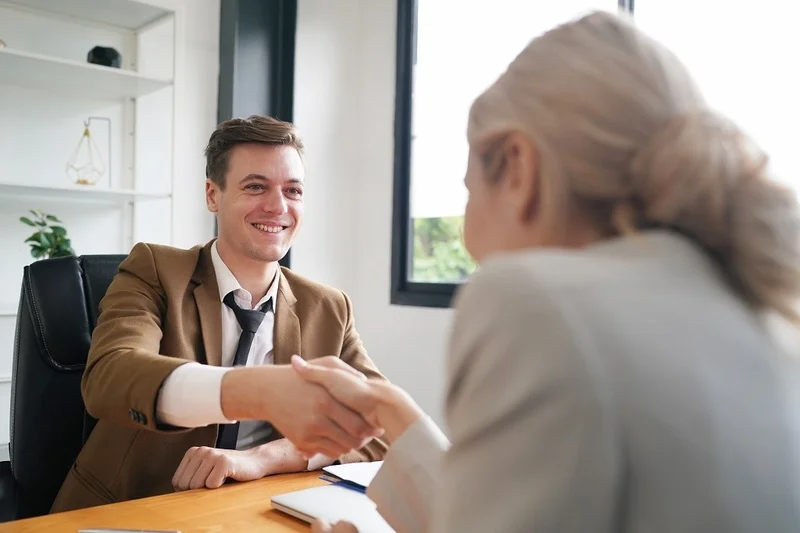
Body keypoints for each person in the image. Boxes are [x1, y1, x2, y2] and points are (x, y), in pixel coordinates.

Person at [291, 10, 800, 533]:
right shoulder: (759, 304)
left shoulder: (534, 300)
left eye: (468, 191)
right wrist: (395, 414)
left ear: (518, 167)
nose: (466, 237)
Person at [50, 115, 388, 513]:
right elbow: (110, 376)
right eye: (256, 186)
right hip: (132, 507)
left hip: (253, 509)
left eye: (293, 190)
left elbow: (378, 430)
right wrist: (256, 390)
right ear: (213, 195)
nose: (278, 206)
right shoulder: (156, 269)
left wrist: (262, 459)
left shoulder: (329, 307)